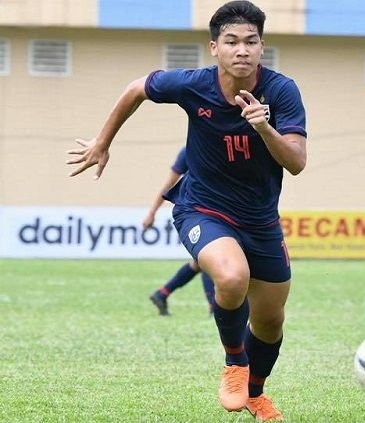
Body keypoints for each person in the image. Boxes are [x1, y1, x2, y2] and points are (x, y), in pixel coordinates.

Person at [66, 1, 307, 420]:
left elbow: (297, 162)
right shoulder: (192, 85)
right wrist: (103, 142)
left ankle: (255, 393)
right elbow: (136, 88)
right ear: (214, 47)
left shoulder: (282, 91)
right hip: (202, 208)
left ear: (262, 47)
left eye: (251, 42)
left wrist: (263, 126)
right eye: (231, 41)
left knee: (270, 321)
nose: (242, 50)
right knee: (232, 277)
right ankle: (234, 362)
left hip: (261, 218)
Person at [145, 147, 216, 317]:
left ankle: (162, 294)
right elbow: (169, 184)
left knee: (200, 262)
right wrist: (152, 212)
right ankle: (214, 306)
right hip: (195, 212)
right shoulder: (189, 151)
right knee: (207, 257)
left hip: (217, 210)